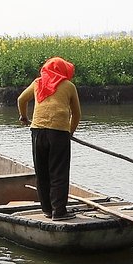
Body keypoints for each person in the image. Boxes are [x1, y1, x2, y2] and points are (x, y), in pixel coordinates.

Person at [17, 56, 82, 220]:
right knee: (58, 172)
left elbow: (21, 100)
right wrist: (70, 133)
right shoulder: (69, 86)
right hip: (59, 133)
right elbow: (77, 114)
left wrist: (24, 117)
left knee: (42, 172)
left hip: (37, 131)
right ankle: (59, 212)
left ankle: (47, 209)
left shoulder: (38, 83)